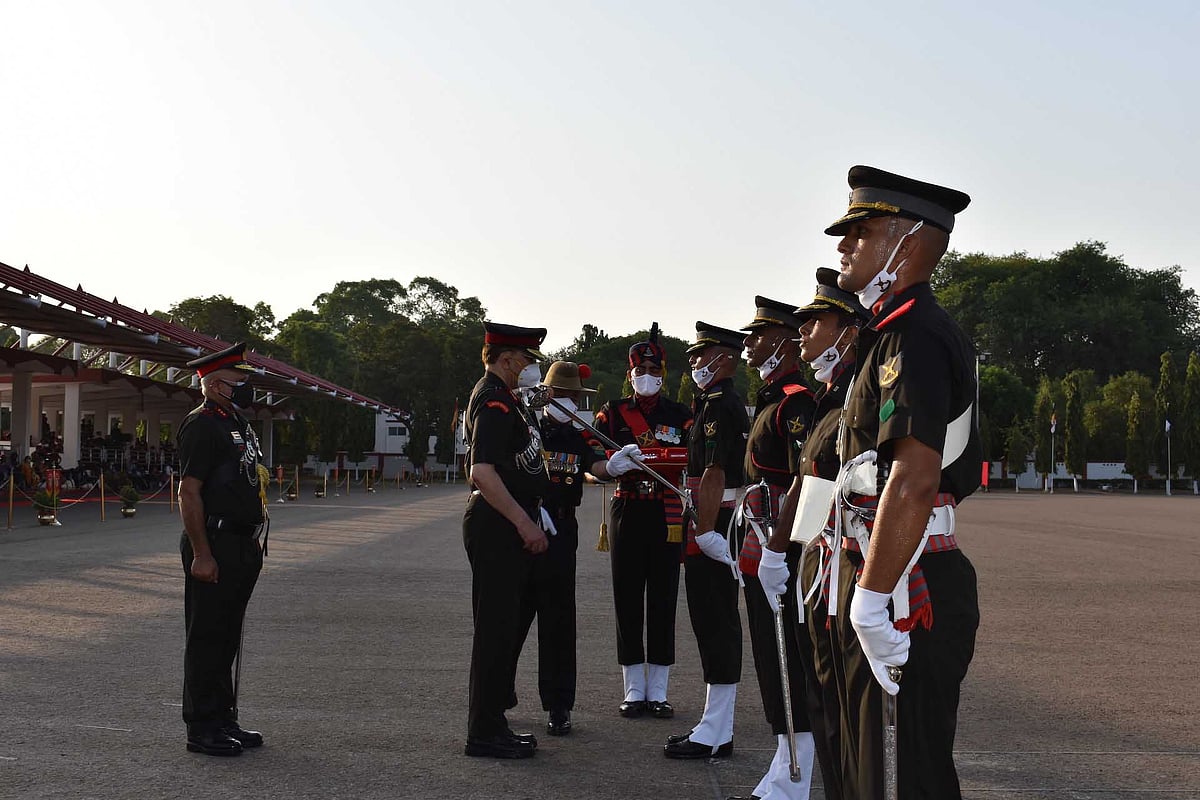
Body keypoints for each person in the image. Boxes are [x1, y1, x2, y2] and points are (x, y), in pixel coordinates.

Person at [821, 165, 982, 798]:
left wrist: (871, 594)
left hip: (908, 577)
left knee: (905, 773)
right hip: (890, 566)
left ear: (906, 242)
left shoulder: (913, 336)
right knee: (876, 764)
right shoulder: (890, 334)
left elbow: (912, 479)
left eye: (859, 233)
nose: (844, 247)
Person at [515, 361, 643, 736]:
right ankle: (499, 693)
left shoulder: (579, 435)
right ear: (545, 395)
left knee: (558, 621)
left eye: (574, 397)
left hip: (560, 528)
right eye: (562, 395)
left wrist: (614, 466)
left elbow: (595, 466)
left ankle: (558, 705)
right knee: (512, 616)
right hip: (522, 527)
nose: (568, 403)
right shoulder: (526, 428)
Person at [785, 269, 871, 800]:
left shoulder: (859, 388)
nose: (803, 334)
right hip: (820, 561)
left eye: (814, 321)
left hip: (848, 563)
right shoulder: (829, 395)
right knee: (828, 706)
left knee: (851, 716)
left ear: (846, 328)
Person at [727, 297, 818, 799]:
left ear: (785, 340)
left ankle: (797, 767)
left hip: (787, 541)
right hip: (761, 533)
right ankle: (784, 755)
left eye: (758, 336)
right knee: (766, 647)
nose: (749, 345)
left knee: (788, 652)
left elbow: (808, 480)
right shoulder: (768, 398)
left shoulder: (796, 400)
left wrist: (781, 549)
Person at [462, 321, 555, 759]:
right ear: (504, 359)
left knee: (502, 627)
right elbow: (483, 472)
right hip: (498, 523)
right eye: (523, 361)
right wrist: (525, 523)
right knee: (495, 630)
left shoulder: (506, 400)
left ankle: (493, 722)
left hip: (504, 522)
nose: (527, 370)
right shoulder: (494, 401)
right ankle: (484, 731)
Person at [593, 323, 693, 719]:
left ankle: (660, 691)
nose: (646, 377)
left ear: (663, 375)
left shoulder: (681, 414)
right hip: (628, 510)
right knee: (628, 597)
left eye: (653, 372)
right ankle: (634, 689)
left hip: (666, 511)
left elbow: (692, 459)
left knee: (665, 597)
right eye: (640, 372)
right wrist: (609, 466)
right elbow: (592, 464)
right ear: (630, 374)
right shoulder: (613, 413)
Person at [177, 342, 267, 757]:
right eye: (239, 381)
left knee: (228, 635)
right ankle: (202, 727)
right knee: (207, 637)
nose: (246, 388)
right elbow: (189, 492)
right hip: (213, 542)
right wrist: (201, 553)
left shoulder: (235, 421)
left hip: (240, 542)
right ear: (215, 385)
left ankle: (223, 718)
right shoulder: (201, 425)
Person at [664, 322, 749, 759]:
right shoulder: (707, 404)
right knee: (710, 624)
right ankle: (715, 724)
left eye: (703, 355)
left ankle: (717, 729)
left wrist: (707, 531)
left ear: (726, 359)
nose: (694, 362)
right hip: (707, 517)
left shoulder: (720, 405)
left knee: (716, 623)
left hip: (714, 521)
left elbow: (715, 473)